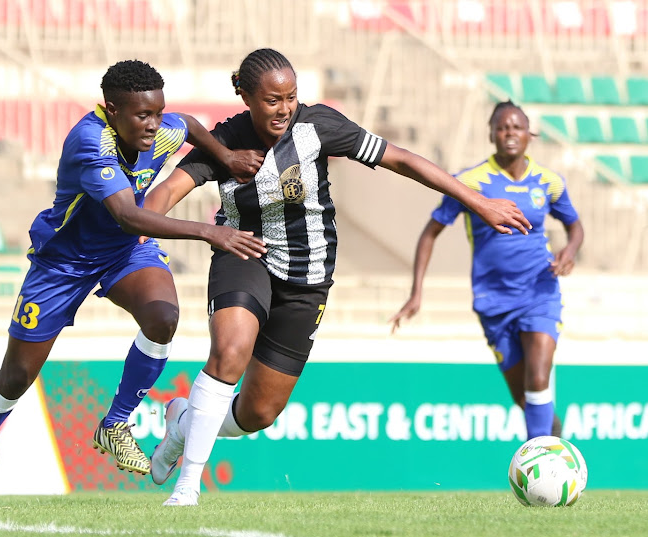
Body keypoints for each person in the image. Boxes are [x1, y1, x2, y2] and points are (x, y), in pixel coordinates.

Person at [143, 48, 532, 506]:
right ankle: (187, 486)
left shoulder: (319, 126)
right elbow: (161, 197)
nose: (284, 109)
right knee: (230, 351)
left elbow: (401, 159)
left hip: (308, 276)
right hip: (243, 252)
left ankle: (183, 425)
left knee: (259, 412)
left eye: (290, 97)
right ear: (244, 95)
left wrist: (477, 201)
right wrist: (169, 237)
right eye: (272, 100)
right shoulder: (223, 143)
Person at [0, 59, 267, 509]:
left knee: (163, 318)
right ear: (111, 109)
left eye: (156, 112)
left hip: (124, 253)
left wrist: (225, 156)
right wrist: (209, 231)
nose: (153, 125)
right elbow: (127, 215)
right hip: (63, 263)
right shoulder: (91, 142)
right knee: (16, 376)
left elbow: (186, 125)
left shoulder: (162, 126)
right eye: (142, 116)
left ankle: (116, 423)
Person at [390, 100, 584, 441]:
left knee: (539, 379)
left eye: (517, 127)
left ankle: (544, 461)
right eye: (502, 127)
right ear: (492, 134)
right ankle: (548, 433)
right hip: (493, 300)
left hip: (540, 291)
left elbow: (575, 227)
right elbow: (430, 233)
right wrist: (417, 291)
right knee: (524, 396)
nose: (510, 133)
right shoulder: (471, 181)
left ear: (530, 134)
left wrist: (569, 250)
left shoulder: (549, 182)